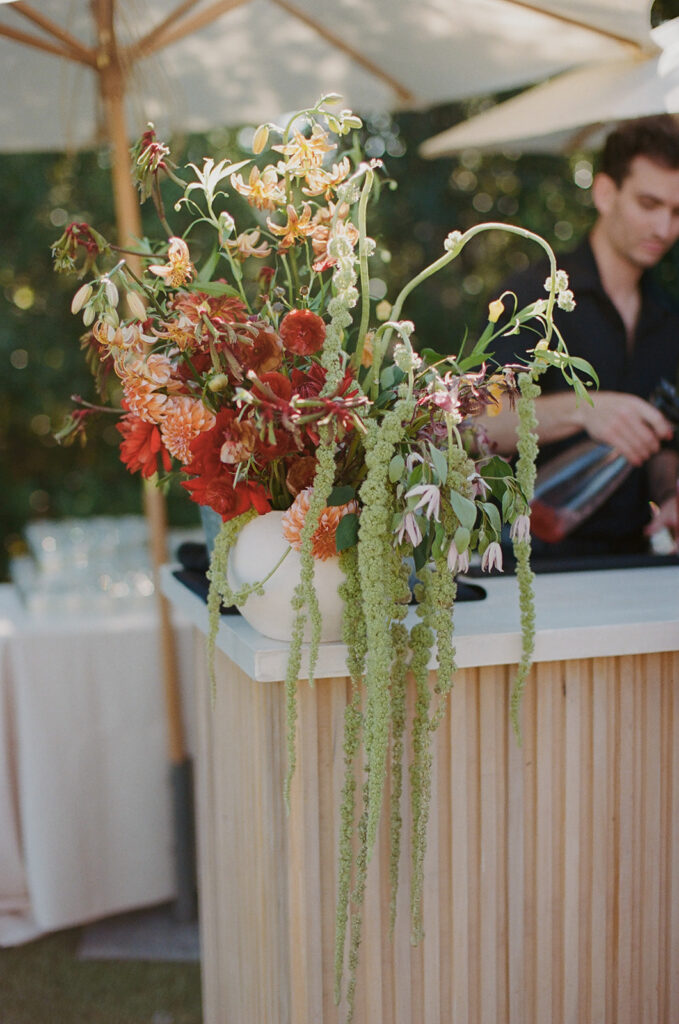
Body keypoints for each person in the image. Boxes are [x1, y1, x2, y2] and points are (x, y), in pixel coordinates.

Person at [483, 114, 679, 558]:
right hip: (529, 565)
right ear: (606, 192)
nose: (664, 229)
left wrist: (670, 493)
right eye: (649, 204)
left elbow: (663, 439)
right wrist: (583, 410)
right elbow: (478, 424)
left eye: (677, 211)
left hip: (633, 563)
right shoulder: (532, 295)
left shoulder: (668, 315)